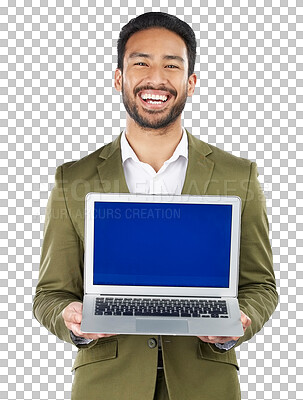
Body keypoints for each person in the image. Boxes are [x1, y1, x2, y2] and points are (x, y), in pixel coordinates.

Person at [33, 12, 278, 400]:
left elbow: (260, 285)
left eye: (172, 65)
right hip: (107, 385)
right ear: (119, 78)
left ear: (191, 82)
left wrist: (241, 321)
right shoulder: (72, 180)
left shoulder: (239, 175)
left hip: (206, 383)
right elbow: (50, 293)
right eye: (141, 63)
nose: (156, 78)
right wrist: (69, 318)